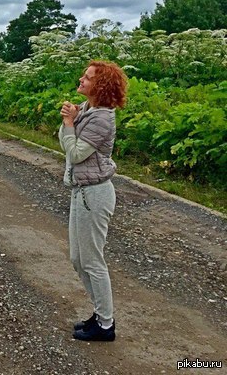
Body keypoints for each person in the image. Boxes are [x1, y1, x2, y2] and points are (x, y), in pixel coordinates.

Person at [59, 60, 127, 342]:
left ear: (100, 86)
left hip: (95, 194)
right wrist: (73, 117)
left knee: (92, 260)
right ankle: (100, 314)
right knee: (78, 259)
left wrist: (68, 123)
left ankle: (105, 325)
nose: (81, 79)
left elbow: (75, 154)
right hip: (81, 190)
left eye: (87, 78)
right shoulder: (88, 109)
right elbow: (69, 142)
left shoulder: (102, 118)